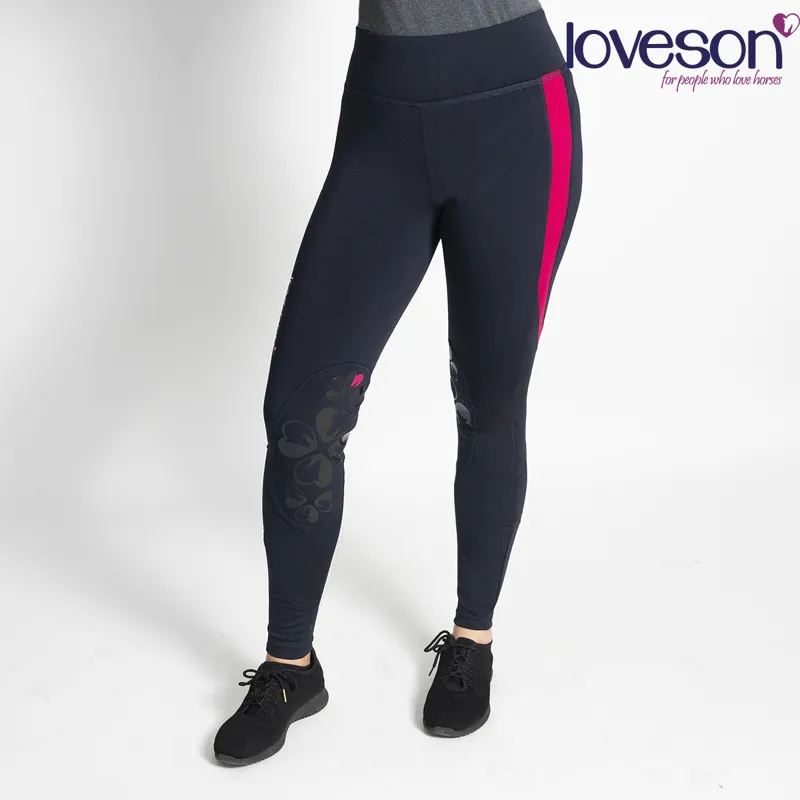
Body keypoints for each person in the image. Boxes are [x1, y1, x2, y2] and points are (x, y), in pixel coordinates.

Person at [214, 0, 583, 765]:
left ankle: (473, 638)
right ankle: (291, 665)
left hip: (517, 115)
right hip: (383, 121)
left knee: (489, 398)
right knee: (302, 413)